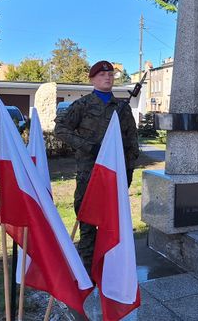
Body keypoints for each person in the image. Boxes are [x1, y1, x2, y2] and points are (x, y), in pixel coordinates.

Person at [54, 60, 139, 272]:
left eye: (110, 75)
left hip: (114, 175)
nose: (107, 78)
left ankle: (111, 269)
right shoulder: (82, 106)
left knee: (112, 222)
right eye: (102, 75)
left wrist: (128, 172)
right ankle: (88, 270)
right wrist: (87, 147)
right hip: (88, 174)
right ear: (92, 79)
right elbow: (61, 129)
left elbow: (131, 143)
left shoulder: (122, 108)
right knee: (87, 221)